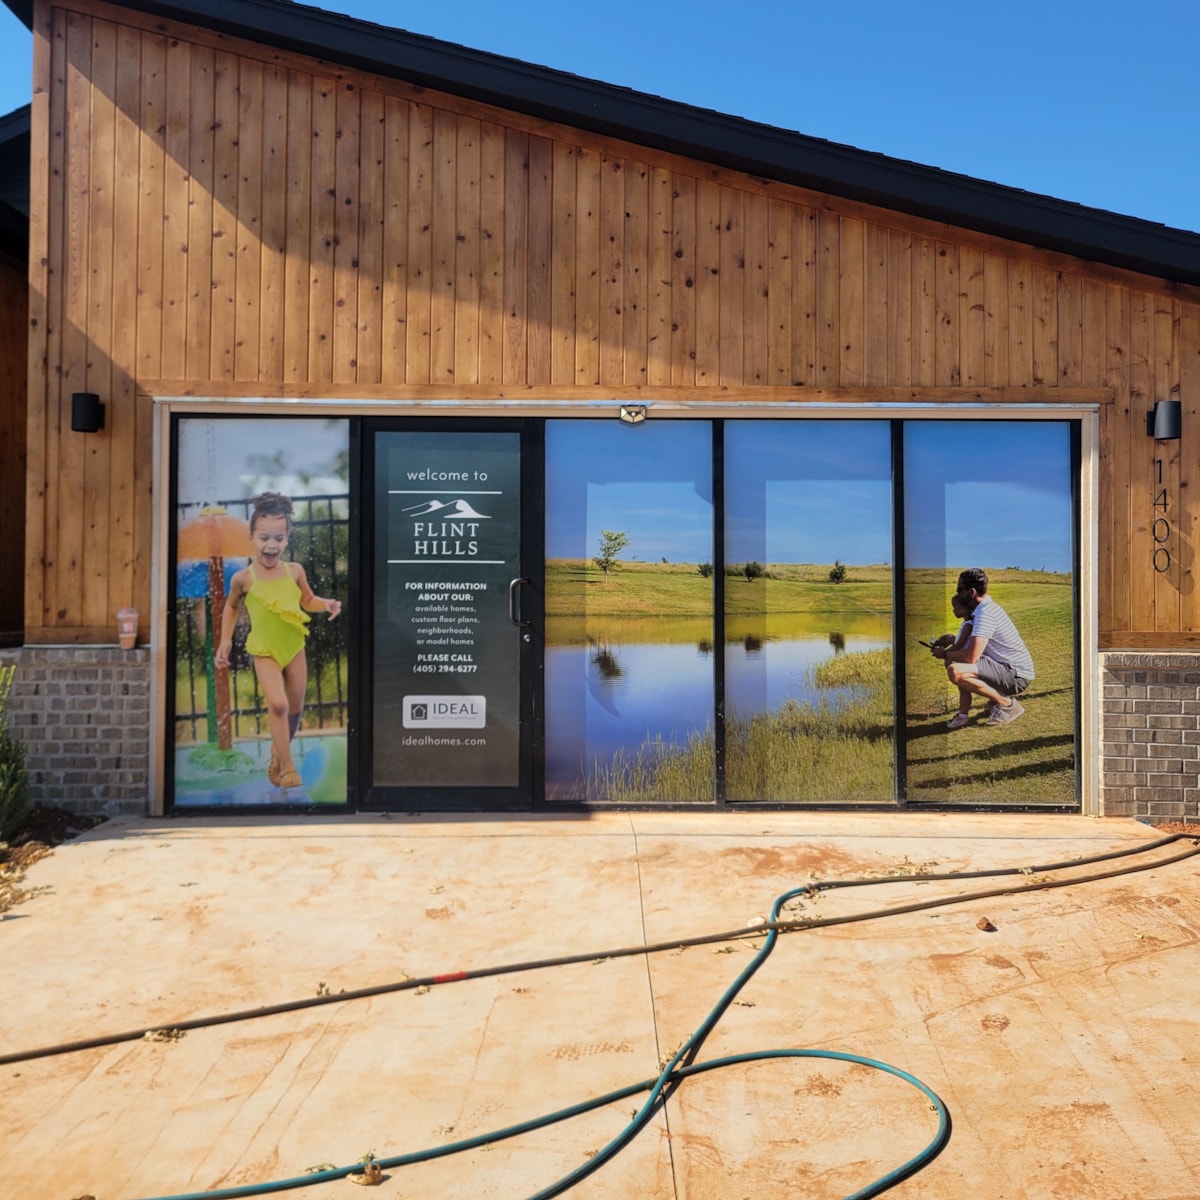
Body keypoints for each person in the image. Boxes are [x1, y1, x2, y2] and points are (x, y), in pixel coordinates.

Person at [215, 493, 342, 790]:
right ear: (251, 538)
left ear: (287, 539)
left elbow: (307, 600)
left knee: (295, 709)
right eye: (264, 538)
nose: (271, 544)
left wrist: (325, 604)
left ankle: (276, 756)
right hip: (265, 651)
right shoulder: (243, 579)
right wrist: (225, 640)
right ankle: (287, 767)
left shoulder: (294, 571)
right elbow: (231, 608)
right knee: (278, 704)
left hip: (294, 647)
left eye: (278, 538)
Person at [931, 567, 1034, 728]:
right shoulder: (982, 611)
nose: (957, 594)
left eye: (960, 590)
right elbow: (974, 643)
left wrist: (944, 654)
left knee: (956, 670)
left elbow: (970, 656)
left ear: (971, 592)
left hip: (1016, 675)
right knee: (954, 663)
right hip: (1006, 668)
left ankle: (1007, 705)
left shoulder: (986, 614)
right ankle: (979, 708)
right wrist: (952, 640)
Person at [932, 592, 975, 729]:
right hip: (960, 662)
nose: (953, 610)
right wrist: (949, 639)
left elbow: (960, 645)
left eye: (955, 607)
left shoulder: (969, 625)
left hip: (963, 663)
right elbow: (960, 641)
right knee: (962, 689)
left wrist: (944, 653)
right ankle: (962, 714)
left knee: (964, 689)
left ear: (965, 608)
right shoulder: (966, 624)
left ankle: (963, 716)